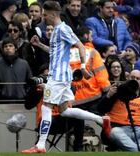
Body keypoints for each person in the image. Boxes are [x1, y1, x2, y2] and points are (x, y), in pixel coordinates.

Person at [21, 1, 111, 154]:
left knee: (46, 106)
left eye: (45, 15)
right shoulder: (57, 30)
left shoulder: (63, 28)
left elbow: (81, 46)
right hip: (61, 76)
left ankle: (40, 145)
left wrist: (82, 67)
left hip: (58, 76)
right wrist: (40, 46)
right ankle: (101, 120)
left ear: (54, 14)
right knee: (64, 110)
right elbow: (56, 53)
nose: (43, 18)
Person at [98, 70, 140, 151]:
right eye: (132, 77)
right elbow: (101, 109)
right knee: (115, 132)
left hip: (138, 129)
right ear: (127, 78)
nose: (135, 80)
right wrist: (109, 96)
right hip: (119, 129)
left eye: (138, 78)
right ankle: (136, 152)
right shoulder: (118, 92)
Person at [0, 37, 32, 104]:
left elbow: (31, 82)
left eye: (10, 46)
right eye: (5, 46)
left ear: (15, 48)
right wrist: (0, 93)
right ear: (3, 49)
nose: (8, 48)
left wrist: (25, 93)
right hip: (2, 103)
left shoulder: (24, 64)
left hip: (21, 102)